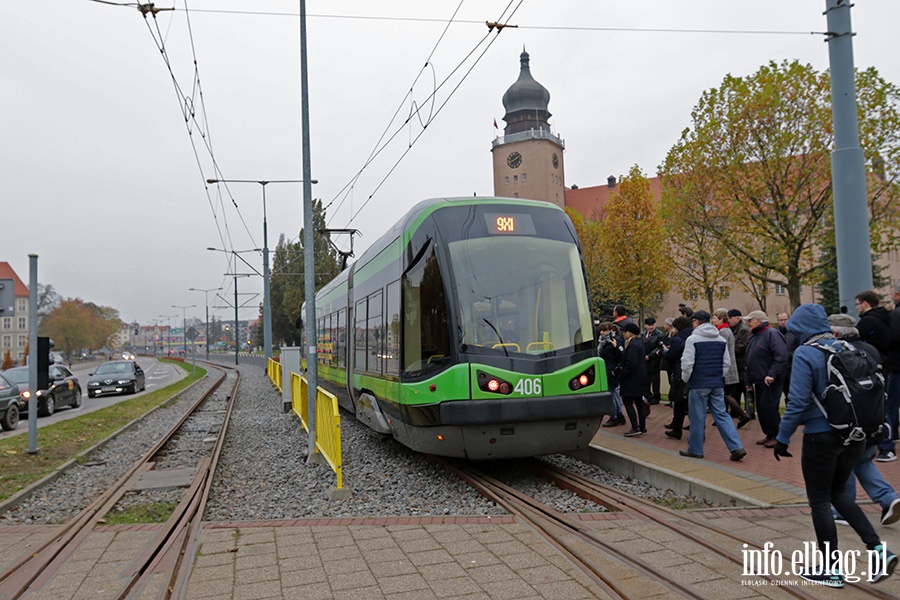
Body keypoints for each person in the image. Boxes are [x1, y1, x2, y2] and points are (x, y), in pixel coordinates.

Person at [774, 303, 897, 587]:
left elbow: (797, 402)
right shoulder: (851, 348)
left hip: (821, 437)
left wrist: (782, 438)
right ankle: (879, 550)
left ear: (800, 329)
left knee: (819, 501)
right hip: (855, 436)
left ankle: (831, 570)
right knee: (839, 494)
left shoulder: (807, 353)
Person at [827, 316, 900, 528]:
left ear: (836, 333)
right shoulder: (871, 351)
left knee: (845, 463)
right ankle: (889, 498)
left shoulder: (838, 354)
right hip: (875, 419)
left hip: (850, 422)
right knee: (863, 460)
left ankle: (843, 511)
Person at [680, 310, 747, 461]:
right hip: (716, 382)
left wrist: (686, 379)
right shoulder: (720, 339)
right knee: (722, 415)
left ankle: (695, 449)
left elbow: (687, 363)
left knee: (697, 417)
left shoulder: (693, 339)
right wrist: (718, 376)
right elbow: (726, 362)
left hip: (698, 383)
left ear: (696, 322)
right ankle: (736, 447)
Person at [744, 310, 788, 448]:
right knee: (762, 408)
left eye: (750, 320)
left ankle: (777, 436)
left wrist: (772, 374)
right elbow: (749, 359)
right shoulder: (754, 336)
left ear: (758, 321)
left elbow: (781, 357)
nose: (748, 323)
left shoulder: (771, 334)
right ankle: (769, 434)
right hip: (758, 379)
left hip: (770, 380)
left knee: (769, 407)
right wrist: (748, 380)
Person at [712, 309, 751, 428]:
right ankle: (723, 417)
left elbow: (722, 349)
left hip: (726, 367)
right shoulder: (726, 330)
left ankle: (742, 414)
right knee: (724, 394)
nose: (712, 320)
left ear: (721, 319)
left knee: (725, 394)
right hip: (729, 365)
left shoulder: (723, 332)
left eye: (714, 318)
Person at [662, 316, 692, 439]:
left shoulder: (678, 339)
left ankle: (677, 428)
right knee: (692, 403)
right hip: (693, 373)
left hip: (680, 372)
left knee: (678, 401)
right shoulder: (693, 336)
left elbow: (671, 356)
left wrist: (665, 352)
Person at [618, 322, 649, 436]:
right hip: (640, 377)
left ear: (630, 332)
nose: (623, 334)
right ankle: (642, 426)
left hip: (632, 379)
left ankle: (635, 427)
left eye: (625, 331)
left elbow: (632, 364)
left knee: (628, 402)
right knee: (639, 402)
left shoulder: (632, 345)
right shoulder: (638, 343)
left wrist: (622, 375)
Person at [598, 322, 627, 427]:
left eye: (604, 330)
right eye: (601, 330)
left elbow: (622, 356)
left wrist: (615, 347)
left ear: (610, 330)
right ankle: (619, 415)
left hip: (612, 372)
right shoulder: (603, 342)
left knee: (610, 395)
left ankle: (614, 416)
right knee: (613, 394)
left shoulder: (615, 341)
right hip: (606, 370)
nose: (602, 333)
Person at [728, 308, 752, 417]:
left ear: (738, 318)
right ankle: (736, 411)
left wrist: (729, 349)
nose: (729, 320)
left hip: (742, 364)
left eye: (731, 318)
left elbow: (742, 346)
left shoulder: (743, 330)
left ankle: (749, 411)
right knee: (735, 390)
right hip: (737, 364)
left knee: (745, 389)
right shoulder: (733, 329)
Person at [643, 317, 665, 404]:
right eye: (649, 325)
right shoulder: (643, 335)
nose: (651, 327)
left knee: (655, 380)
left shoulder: (659, 335)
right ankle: (647, 395)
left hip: (654, 361)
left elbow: (659, 348)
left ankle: (656, 397)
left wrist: (650, 355)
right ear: (645, 326)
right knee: (646, 380)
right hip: (645, 361)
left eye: (652, 325)